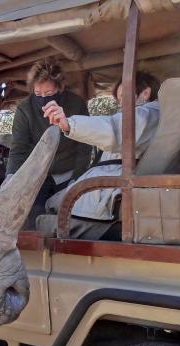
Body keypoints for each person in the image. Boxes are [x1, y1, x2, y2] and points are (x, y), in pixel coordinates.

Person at [42, 72, 161, 239]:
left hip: (111, 187)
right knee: (53, 201)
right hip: (106, 183)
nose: (121, 105)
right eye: (119, 100)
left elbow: (115, 129)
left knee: (46, 205)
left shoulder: (146, 114)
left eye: (123, 98)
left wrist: (69, 123)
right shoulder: (152, 116)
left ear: (145, 93)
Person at [6, 59, 92, 229]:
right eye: (38, 94)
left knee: (68, 220)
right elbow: (19, 149)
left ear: (60, 88)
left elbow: (85, 147)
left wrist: (78, 178)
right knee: (33, 220)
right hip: (37, 175)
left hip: (69, 174)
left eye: (49, 93)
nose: (43, 99)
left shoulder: (76, 104)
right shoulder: (25, 109)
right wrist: (11, 177)